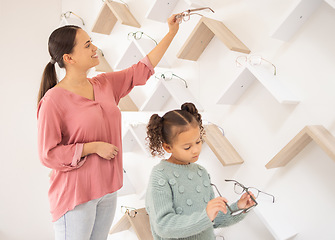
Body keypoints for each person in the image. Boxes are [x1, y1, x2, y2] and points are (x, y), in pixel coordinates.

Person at [37, 14, 179, 240]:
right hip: (75, 195)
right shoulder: (53, 100)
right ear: (69, 58)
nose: (95, 48)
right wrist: (91, 147)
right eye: (87, 45)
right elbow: (48, 155)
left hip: (107, 190)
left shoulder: (105, 84)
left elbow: (141, 70)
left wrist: (171, 33)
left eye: (91, 42)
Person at [145, 102, 256, 239]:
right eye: (187, 147)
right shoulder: (160, 175)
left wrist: (238, 207)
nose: (196, 149)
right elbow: (163, 226)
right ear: (168, 148)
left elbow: (212, 219)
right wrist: (206, 216)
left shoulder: (201, 172)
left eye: (198, 142)